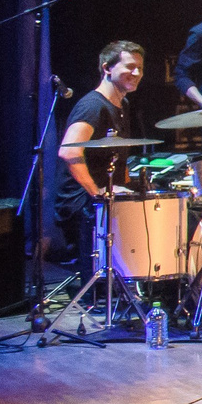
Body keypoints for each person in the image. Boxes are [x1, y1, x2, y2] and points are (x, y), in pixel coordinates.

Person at [53, 40, 144, 271]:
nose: (136, 73)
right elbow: (69, 151)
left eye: (140, 68)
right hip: (81, 201)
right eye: (130, 67)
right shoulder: (93, 106)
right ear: (107, 68)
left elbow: (117, 157)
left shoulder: (122, 104)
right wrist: (98, 193)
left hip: (102, 197)